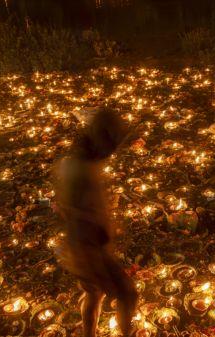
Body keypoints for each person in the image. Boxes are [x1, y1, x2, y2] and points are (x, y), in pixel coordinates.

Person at [56, 107, 138, 337]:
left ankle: (88, 333)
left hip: (85, 244)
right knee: (127, 294)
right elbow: (70, 209)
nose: (113, 150)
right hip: (86, 247)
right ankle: (126, 333)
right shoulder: (78, 167)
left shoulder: (82, 159)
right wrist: (97, 224)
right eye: (112, 142)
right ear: (102, 136)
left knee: (93, 293)